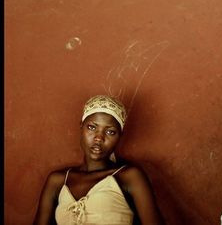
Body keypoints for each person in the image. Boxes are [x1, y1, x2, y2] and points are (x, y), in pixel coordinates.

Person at [33, 95, 165, 225]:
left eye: (110, 132)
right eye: (92, 127)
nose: (99, 138)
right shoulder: (58, 181)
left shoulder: (129, 177)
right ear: (81, 126)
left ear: (120, 137)